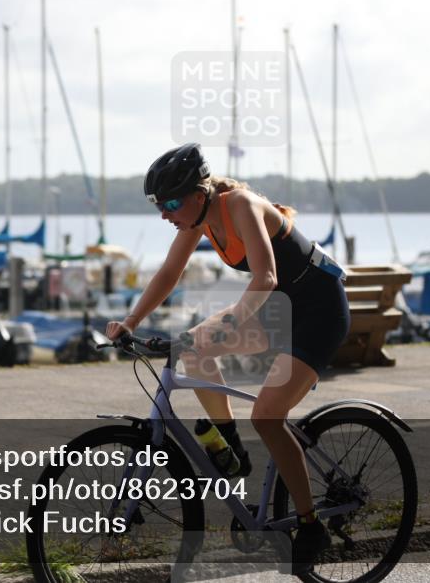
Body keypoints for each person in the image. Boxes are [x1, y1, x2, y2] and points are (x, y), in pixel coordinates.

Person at [105, 143, 351, 573]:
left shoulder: (240, 204)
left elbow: (266, 275)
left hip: (318, 311)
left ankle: (311, 526)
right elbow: (168, 274)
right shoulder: (197, 219)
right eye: (160, 206)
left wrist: (229, 321)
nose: (166, 213)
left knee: (268, 415)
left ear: (200, 193)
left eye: (172, 202)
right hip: (278, 308)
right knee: (191, 346)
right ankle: (230, 445)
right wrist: (130, 321)